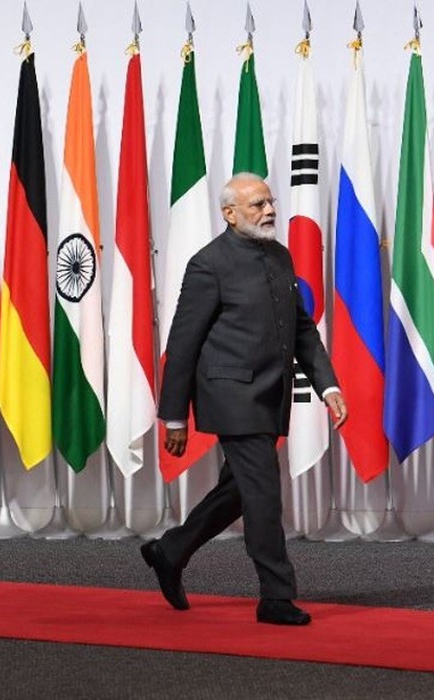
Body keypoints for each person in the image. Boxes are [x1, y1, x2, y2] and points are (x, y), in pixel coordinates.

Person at [141, 173, 347, 626]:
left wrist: (328, 386)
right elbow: (183, 342)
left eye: (270, 202)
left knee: (240, 490)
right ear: (229, 214)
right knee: (264, 494)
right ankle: (276, 596)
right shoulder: (208, 264)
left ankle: (170, 550)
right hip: (231, 395)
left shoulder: (280, 255)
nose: (269, 210)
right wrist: (174, 416)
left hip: (271, 396)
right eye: (257, 205)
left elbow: (301, 328)